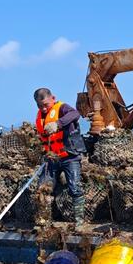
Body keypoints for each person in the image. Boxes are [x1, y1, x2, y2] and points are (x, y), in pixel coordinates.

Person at [33, 88, 87, 226]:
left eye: (46, 105)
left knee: (74, 188)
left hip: (70, 156)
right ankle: (43, 221)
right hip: (52, 158)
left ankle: (79, 222)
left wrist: (58, 124)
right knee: (43, 188)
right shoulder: (40, 116)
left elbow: (76, 114)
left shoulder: (62, 108)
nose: (44, 108)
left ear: (53, 98)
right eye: (40, 106)